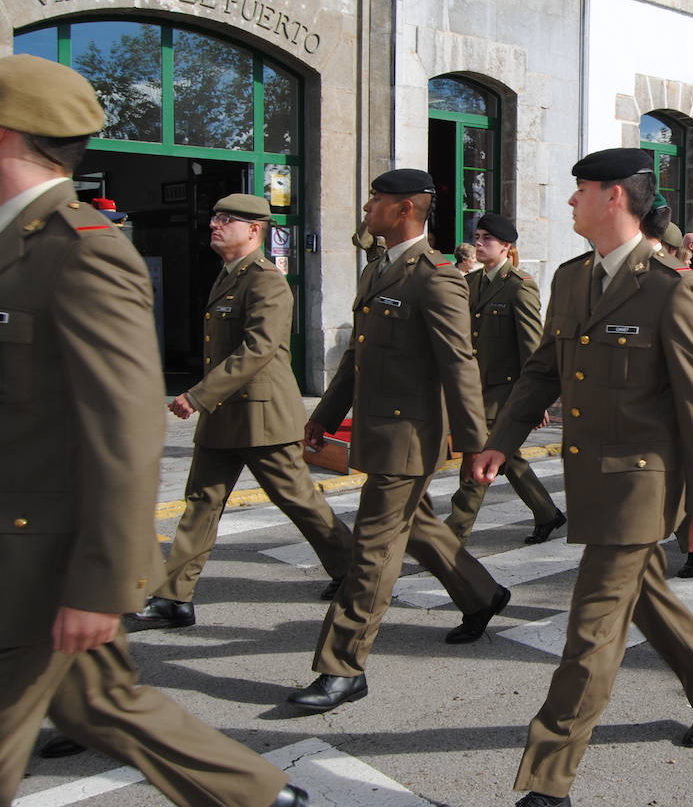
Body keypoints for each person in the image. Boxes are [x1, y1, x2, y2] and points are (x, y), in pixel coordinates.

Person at [0, 54, 308, 807]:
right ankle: (260, 798)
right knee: (97, 702)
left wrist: (104, 582)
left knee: (305, 511)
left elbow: (121, 428)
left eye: (228, 217)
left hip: (48, 556)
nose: (216, 227)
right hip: (24, 551)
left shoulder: (81, 251)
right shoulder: (19, 246)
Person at [470, 148, 693, 807]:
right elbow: (543, 370)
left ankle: (547, 781)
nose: (570, 201)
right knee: (644, 598)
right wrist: (499, 443)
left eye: (580, 190)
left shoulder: (671, 287)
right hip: (592, 478)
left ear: (614, 197)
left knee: (590, 632)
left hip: (642, 485)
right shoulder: (571, 279)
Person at [290, 169, 505, 713]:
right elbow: (358, 357)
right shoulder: (380, 270)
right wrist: (325, 415)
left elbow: (459, 365)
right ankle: (482, 594)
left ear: (405, 208)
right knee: (418, 528)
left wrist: (475, 444)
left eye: (376, 200)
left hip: (408, 437)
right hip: (377, 430)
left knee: (372, 550)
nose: (366, 208)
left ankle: (343, 666)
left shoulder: (435, 276)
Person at [132, 195, 354, 632]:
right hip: (224, 414)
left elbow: (257, 348)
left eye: (226, 220)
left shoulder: (267, 281)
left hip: (261, 416)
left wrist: (197, 395)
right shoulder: (228, 276)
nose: (215, 225)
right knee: (201, 503)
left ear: (254, 229)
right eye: (214, 217)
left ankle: (353, 573)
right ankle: (174, 597)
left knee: (298, 499)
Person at [447, 213, 566, 552]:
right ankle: (546, 513)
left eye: (488, 238)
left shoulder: (519, 286)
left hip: (505, 394)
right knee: (507, 457)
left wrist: (534, 400)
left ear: (506, 247)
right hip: (476, 391)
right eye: (478, 236)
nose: (480, 242)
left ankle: (452, 534)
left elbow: (532, 348)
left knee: (480, 458)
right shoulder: (471, 283)